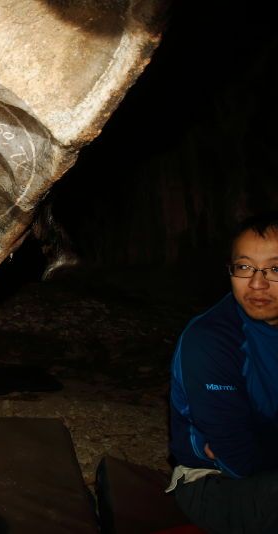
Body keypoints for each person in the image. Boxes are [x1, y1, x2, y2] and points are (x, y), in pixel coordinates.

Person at [167, 212, 278, 533]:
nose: (257, 284)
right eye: (244, 267)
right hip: (211, 484)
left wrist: (261, 439)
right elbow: (238, 460)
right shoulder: (211, 340)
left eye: (275, 268)